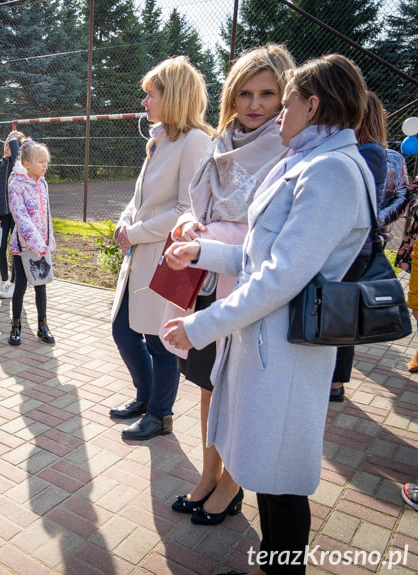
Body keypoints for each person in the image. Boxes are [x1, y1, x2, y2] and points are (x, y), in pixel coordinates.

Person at [163, 54, 373, 575]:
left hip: (283, 352)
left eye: (287, 99)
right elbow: (266, 257)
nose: (276, 112)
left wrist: (201, 325)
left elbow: (280, 279)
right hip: (266, 346)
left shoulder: (330, 172)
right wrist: (202, 253)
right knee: (269, 473)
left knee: (280, 482)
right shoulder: (307, 160)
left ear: (312, 104)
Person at [167, 45, 294, 526]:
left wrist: (210, 238)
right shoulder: (219, 141)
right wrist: (187, 226)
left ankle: (231, 484)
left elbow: (271, 238)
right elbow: (197, 208)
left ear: (287, 97)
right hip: (202, 279)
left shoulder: (287, 149)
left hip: (247, 292)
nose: (254, 104)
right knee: (205, 384)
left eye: (267, 93)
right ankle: (207, 473)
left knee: (236, 388)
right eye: (244, 93)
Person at [108, 56, 212, 441]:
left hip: (162, 257)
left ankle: (160, 415)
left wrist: (135, 233)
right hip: (140, 256)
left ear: (174, 96)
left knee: (159, 341)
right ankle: (146, 397)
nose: (145, 101)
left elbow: (188, 209)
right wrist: (124, 220)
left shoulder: (195, 140)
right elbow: (139, 198)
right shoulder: (159, 137)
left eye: (151, 94)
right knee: (124, 331)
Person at [330, 92, 408, 402]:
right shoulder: (363, 150)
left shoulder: (374, 153)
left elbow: (390, 198)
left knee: (342, 315)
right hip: (354, 242)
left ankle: (335, 384)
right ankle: (333, 381)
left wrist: (378, 220)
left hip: (356, 245)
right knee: (341, 313)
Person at [7, 141, 56, 345]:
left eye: (47, 162)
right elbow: (21, 218)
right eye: (41, 162)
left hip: (42, 246)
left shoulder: (42, 183)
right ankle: (16, 326)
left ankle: (43, 326)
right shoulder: (16, 185)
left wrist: (48, 241)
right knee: (21, 286)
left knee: (41, 286)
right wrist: (36, 244)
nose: (45, 166)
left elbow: (47, 215)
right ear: (27, 164)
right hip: (24, 247)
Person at [0, 130, 25, 299]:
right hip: (2, 215)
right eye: (5, 145)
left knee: (15, 250)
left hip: (16, 216)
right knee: (0, 247)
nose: (6, 148)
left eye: (10, 146)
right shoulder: (0, 165)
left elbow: (18, 157)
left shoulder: (19, 166)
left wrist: (14, 141)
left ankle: (13, 283)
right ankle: (4, 281)